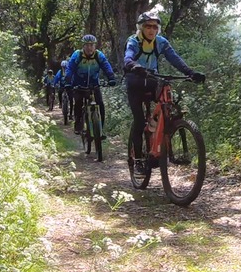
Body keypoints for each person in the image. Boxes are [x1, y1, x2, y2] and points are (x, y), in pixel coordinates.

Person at [122, 13, 205, 169]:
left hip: (152, 79)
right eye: (148, 26)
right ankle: (138, 159)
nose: (151, 30)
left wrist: (191, 73)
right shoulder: (134, 41)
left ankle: (158, 134)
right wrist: (134, 66)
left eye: (155, 27)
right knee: (139, 121)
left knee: (166, 103)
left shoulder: (161, 42)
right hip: (135, 81)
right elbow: (128, 57)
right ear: (141, 27)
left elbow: (175, 59)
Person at [63, 35, 118, 154]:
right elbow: (70, 68)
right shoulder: (77, 55)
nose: (89, 48)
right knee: (78, 103)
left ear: (95, 46)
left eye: (92, 45)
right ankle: (78, 124)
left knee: (100, 105)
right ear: (83, 46)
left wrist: (111, 77)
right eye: (87, 45)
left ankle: (100, 129)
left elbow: (106, 66)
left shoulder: (98, 55)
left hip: (94, 85)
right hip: (79, 85)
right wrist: (67, 81)